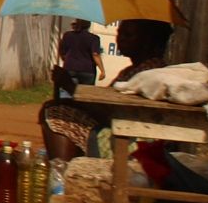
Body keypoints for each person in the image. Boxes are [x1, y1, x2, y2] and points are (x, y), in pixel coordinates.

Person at [40, 19, 173, 161]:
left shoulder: (148, 72)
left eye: (128, 35)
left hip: (130, 141)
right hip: (120, 129)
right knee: (56, 107)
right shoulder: (133, 70)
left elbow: (109, 110)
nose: (120, 38)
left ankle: (62, 174)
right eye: (119, 33)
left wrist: (71, 89)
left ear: (149, 42)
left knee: (57, 115)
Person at [56, 18, 105, 95]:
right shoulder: (94, 38)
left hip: (69, 68)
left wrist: (65, 59)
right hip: (87, 70)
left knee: (66, 95)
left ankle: (66, 106)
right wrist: (102, 70)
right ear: (88, 25)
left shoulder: (67, 35)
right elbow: (95, 54)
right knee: (85, 96)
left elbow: (61, 50)